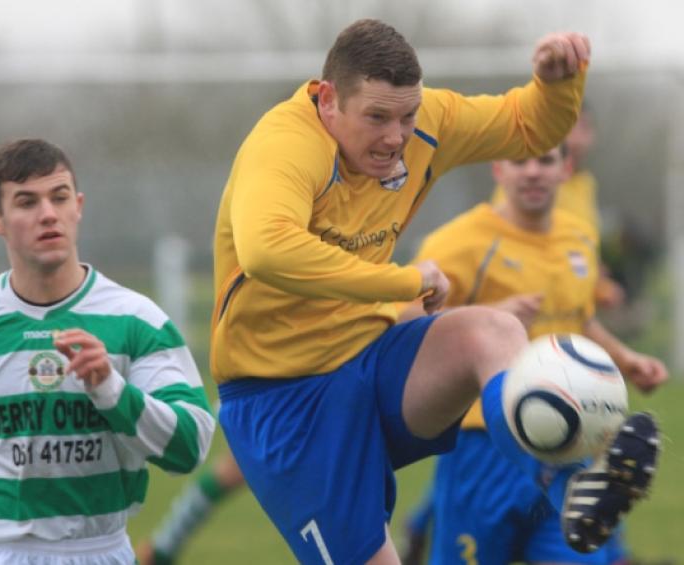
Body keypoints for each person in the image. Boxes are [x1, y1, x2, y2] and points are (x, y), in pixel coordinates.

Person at [210, 18, 659, 564]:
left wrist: (557, 84)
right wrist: (405, 279)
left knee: (490, 330)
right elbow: (267, 251)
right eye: (376, 117)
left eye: (407, 116)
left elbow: (527, 127)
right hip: (282, 399)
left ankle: (565, 478)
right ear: (328, 101)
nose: (396, 138)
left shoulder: (427, 125)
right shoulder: (284, 145)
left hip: (369, 359)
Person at [0, 139, 216, 564]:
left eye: (59, 198)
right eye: (26, 202)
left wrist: (112, 390)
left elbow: (189, 446)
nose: (47, 214)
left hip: (99, 550)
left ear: (77, 206)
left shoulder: (137, 322)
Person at [398, 145, 667, 565]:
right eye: (521, 162)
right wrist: (488, 316)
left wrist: (625, 358)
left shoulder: (579, 234)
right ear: (499, 169)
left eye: (546, 161)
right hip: (483, 447)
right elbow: (405, 314)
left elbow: (578, 317)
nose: (533, 173)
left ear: (566, 168)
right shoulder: (460, 241)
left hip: (570, 445)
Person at [491, 106, 626, 309]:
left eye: (584, 128)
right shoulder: (529, 187)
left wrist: (597, 282)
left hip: (569, 309)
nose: (578, 138)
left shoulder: (585, 184)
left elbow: (578, 248)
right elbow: (507, 248)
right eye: (571, 127)